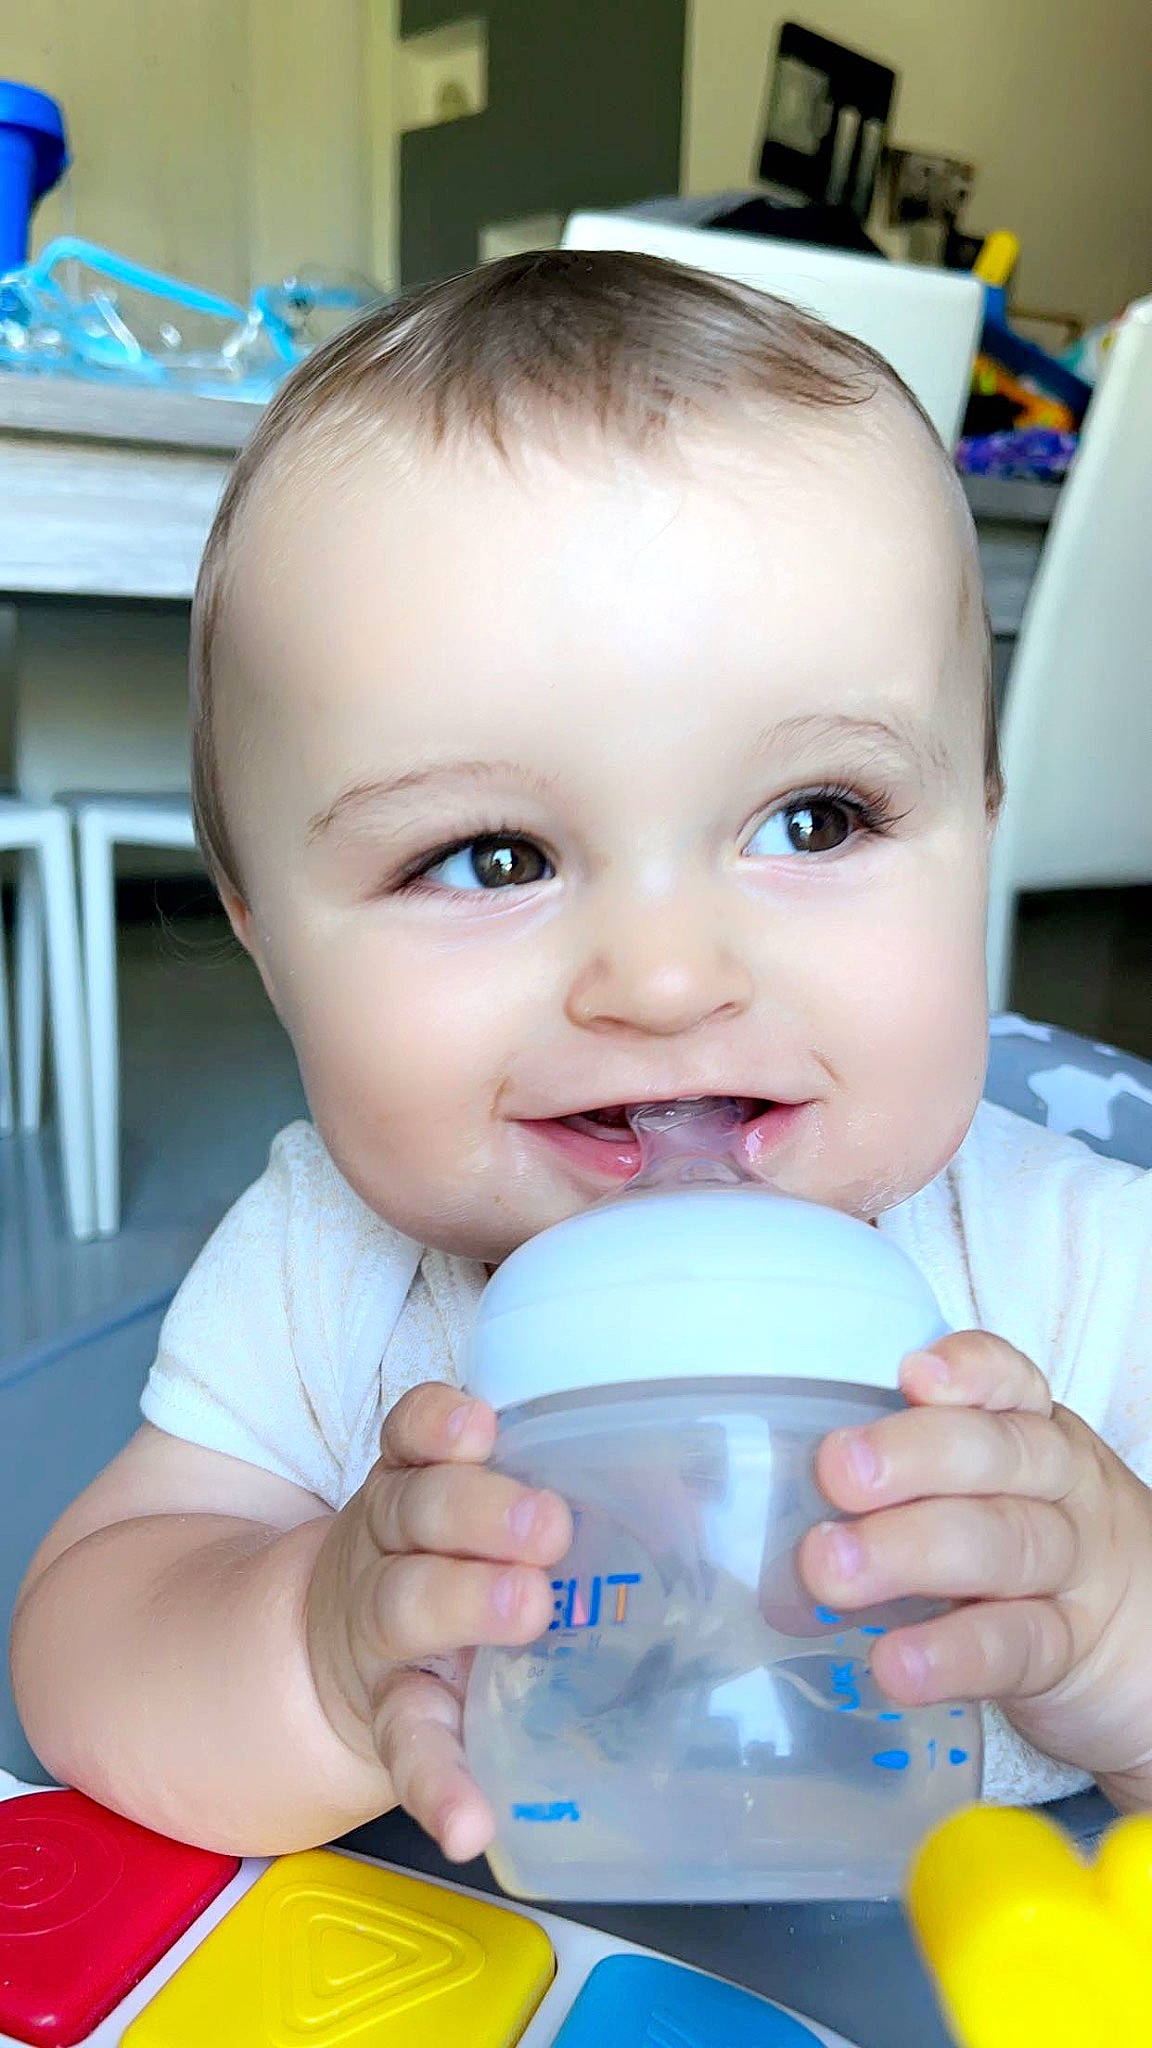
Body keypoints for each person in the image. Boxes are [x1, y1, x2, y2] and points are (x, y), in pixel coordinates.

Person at [12, 252, 1152, 1858]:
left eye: (814, 818)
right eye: (491, 856)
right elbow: (85, 1649)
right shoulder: (327, 1275)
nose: (670, 978)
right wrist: (312, 1649)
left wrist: (1117, 1627)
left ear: (980, 834)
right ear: (263, 931)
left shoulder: (1087, 1269)